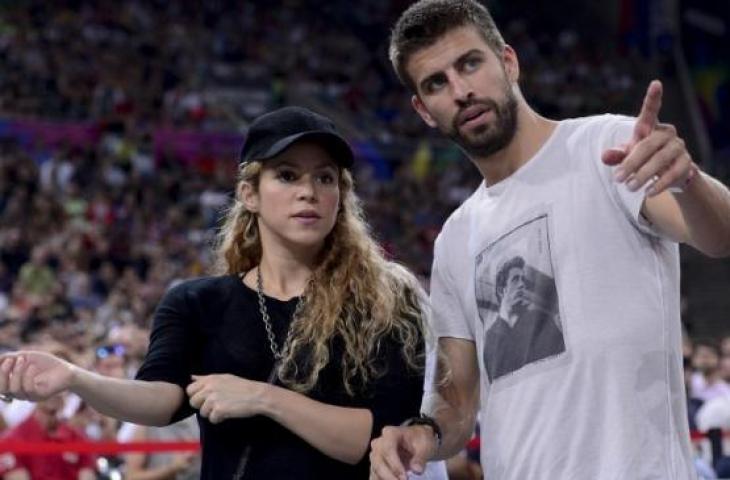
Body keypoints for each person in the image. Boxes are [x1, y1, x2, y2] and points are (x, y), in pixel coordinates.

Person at [369, 1, 730, 479]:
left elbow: (720, 237)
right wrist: (423, 432)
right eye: (436, 83)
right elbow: (455, 399)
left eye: (470, 63)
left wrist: (690, 183)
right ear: (424, 110)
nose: (460, 91)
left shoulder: (607, 147)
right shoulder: (455, 238)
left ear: (508, 61)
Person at [0, 106, 427, 479]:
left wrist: (263, 398)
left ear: (340, 196)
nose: (308, 191)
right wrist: (73, 377)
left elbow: (379, 435)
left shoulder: (384, 301)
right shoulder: (197, 302)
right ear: (249, 194)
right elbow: (161, 400)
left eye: (325, 177)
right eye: (287, 175)